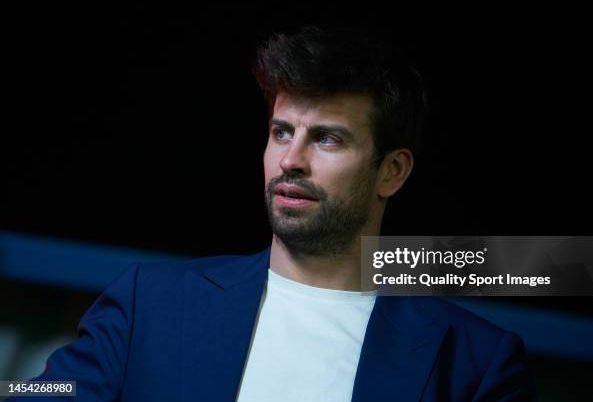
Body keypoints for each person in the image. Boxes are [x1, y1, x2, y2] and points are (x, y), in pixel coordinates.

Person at [11, 26, 537, 401]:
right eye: (282, 132)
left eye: (326, 139)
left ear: (391, 172)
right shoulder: (151, 303)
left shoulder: (473, 362)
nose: (291, 160)